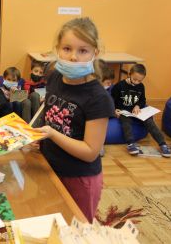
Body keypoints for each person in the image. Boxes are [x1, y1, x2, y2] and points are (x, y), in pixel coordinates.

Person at [35, 17, 114, 222]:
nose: (73, 57)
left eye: (83, 51)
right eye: (67, 48)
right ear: (57, 49)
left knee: (75, 230)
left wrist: (52, 134)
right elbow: (50, 118)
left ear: (95, 53)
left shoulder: (98, 98)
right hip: (49, 169)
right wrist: (38, 138)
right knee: (49, 225)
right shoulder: (54, 77)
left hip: (79, 178)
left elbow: (90, 152)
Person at [111, 64, 171, 157]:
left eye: (139, 80)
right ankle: (131, 144)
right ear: (129, 74)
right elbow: (111, 99)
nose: (136, 82)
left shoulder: (141, 86)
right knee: (126, 123)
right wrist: (115, 109)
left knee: (149, 121)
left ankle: (162, 144)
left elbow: (143, 100)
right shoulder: (119, 86)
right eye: (134, 79)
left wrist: (138, 106)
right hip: (124, 112)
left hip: (136, 112)